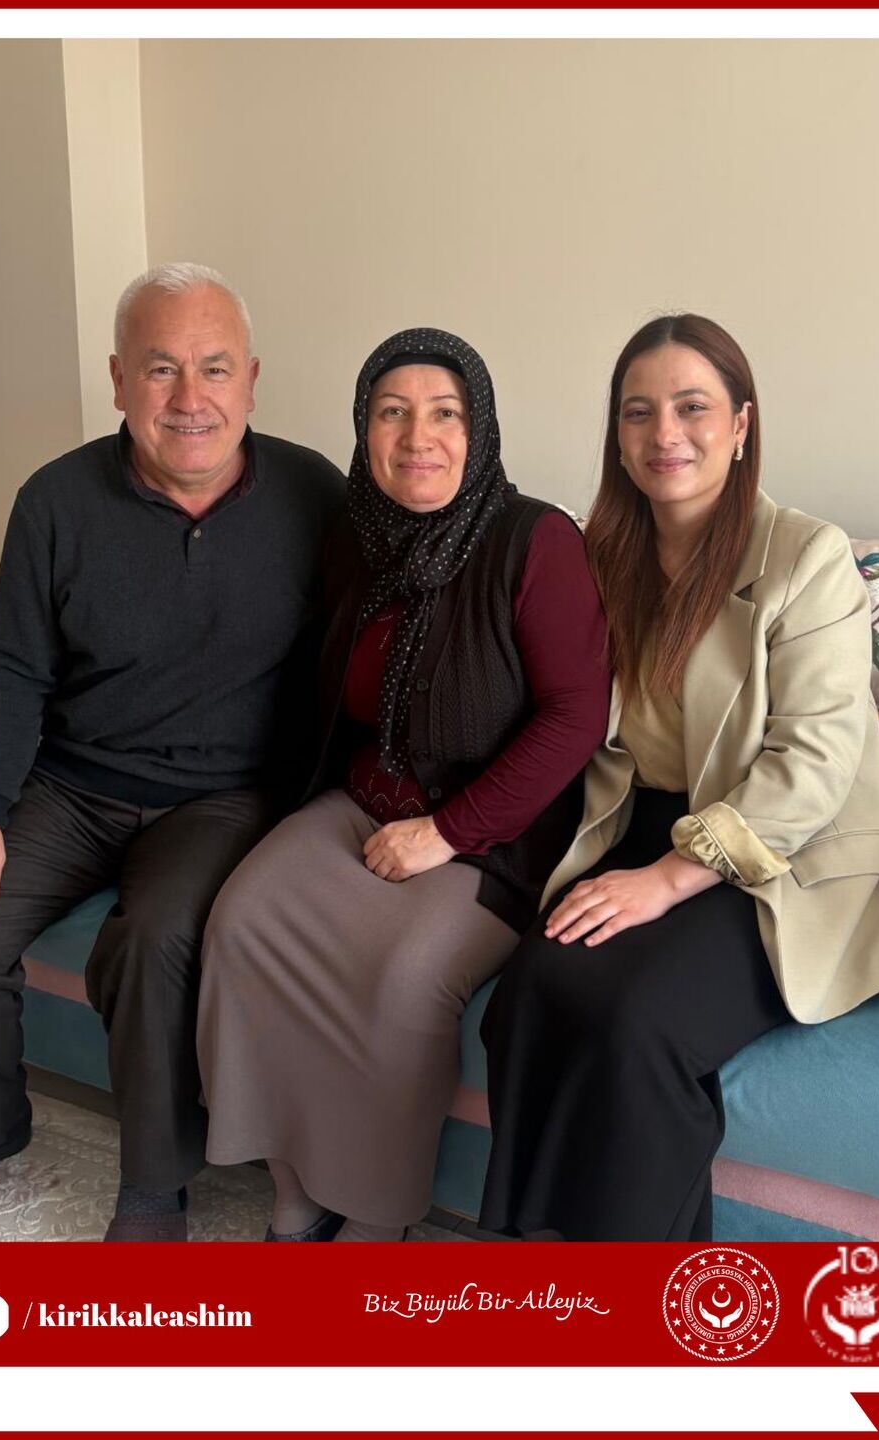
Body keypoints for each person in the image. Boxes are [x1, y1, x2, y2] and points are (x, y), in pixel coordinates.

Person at [0, 263, 345, 1241]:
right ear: (121, 380)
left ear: (253, 381)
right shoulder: (55, 500)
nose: (190, 397)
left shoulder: (316, 496)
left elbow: (360, 654)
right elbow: (10, 667)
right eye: (161, 369)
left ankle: (155, 1182)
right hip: (70, 786)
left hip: (222, 799)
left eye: (215, 368)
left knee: (157, 939)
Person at [478, 314, 879, 1242]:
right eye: (638, 412)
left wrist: (667, 879)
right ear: (617, 435)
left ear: (741, 424)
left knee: (635, 1023)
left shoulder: (807, 557)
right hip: (643, 827)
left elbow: (813, 766)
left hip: (785, 857)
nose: (665, 433)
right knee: (533, 992)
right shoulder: (599, 554)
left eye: (692, 407)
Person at [196, 327, 611, 1241]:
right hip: (362, 801)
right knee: (243, 922)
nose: (418, 436)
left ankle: (377, 1215)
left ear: (479, 430)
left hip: (493, 836)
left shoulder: (535, 540)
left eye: (444, 414)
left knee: (406, 979)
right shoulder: (360, 536)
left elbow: (577, 716)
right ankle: (294, 1187)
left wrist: (448, 832)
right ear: (365, 431)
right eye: (392, 413)